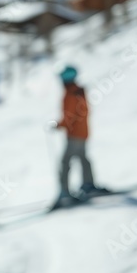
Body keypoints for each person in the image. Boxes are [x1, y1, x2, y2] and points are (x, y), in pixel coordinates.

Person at [54, 65, 106, 206]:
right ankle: (88, 185)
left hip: (74, 135)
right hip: (82, 133)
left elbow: (69, 116)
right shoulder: (79, 92)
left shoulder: (70, 94)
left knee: (65, 162)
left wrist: (59, 125)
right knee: (83, 158)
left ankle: (65, 193)